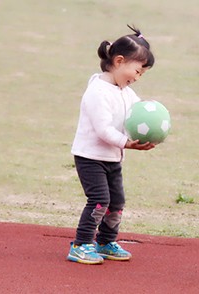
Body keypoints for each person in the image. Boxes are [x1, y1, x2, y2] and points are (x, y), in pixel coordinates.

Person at [67, 25, 156, 265]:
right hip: (90, 157)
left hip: (112, 158)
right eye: (137, 71)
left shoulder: (124, 91)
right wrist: (127, 143)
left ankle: (105, 241)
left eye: (142, 74)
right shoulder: (98, 91)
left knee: (116, 203)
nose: (137, 78)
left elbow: (138, 112)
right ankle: (81, 244)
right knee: (99, 200)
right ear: (119, 61)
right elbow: (103, 129)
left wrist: (153, 118)